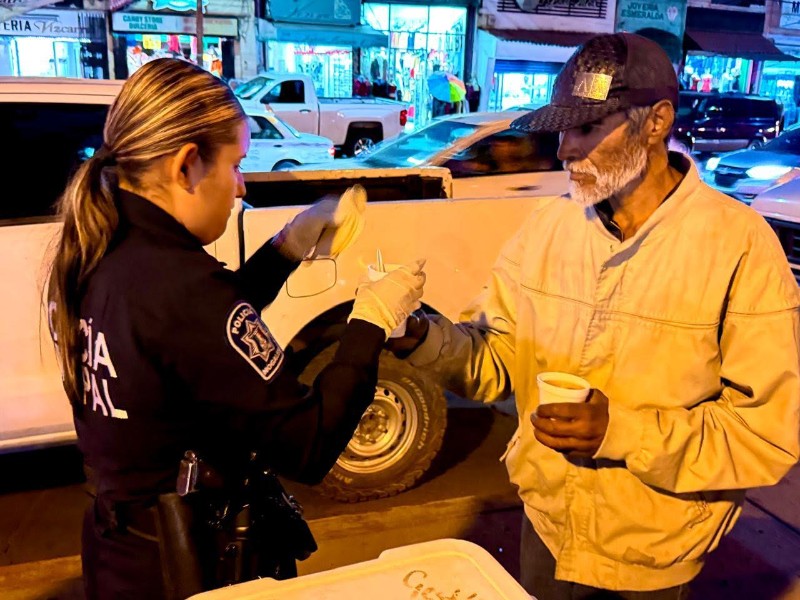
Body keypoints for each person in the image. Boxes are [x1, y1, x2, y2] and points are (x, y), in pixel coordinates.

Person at [390, 32, 800, 599]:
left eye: (586, 129)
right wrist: (420, 337)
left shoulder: (739, 247)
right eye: (563, 130)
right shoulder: (548, 229)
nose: (563, 151)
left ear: (656, 122)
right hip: (548, 533)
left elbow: (764, 434)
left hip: (653, 553)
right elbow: (497, 363)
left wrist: (621, 431)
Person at [46, 58, 426, 599]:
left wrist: (286, 249)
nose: (241, 187)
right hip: (188, 566)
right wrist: (371, 320)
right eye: (234, 165)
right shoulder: (179, 284)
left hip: (121, 552)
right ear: (186, 166)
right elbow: (309, 443)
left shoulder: (101, 249)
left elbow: (190, 348)